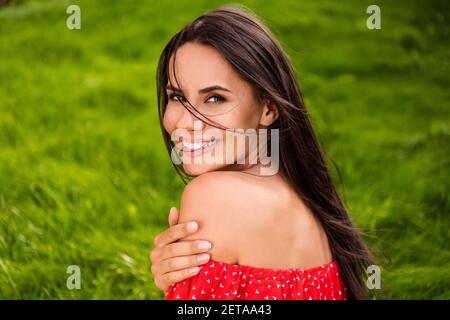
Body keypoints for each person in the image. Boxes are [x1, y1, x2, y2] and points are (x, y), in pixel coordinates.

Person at [150, 5, 374, 300]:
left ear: (268, 108)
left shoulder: (214, 196)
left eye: (215, 98)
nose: (185, 122)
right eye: (177, 96)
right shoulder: (294, 191)